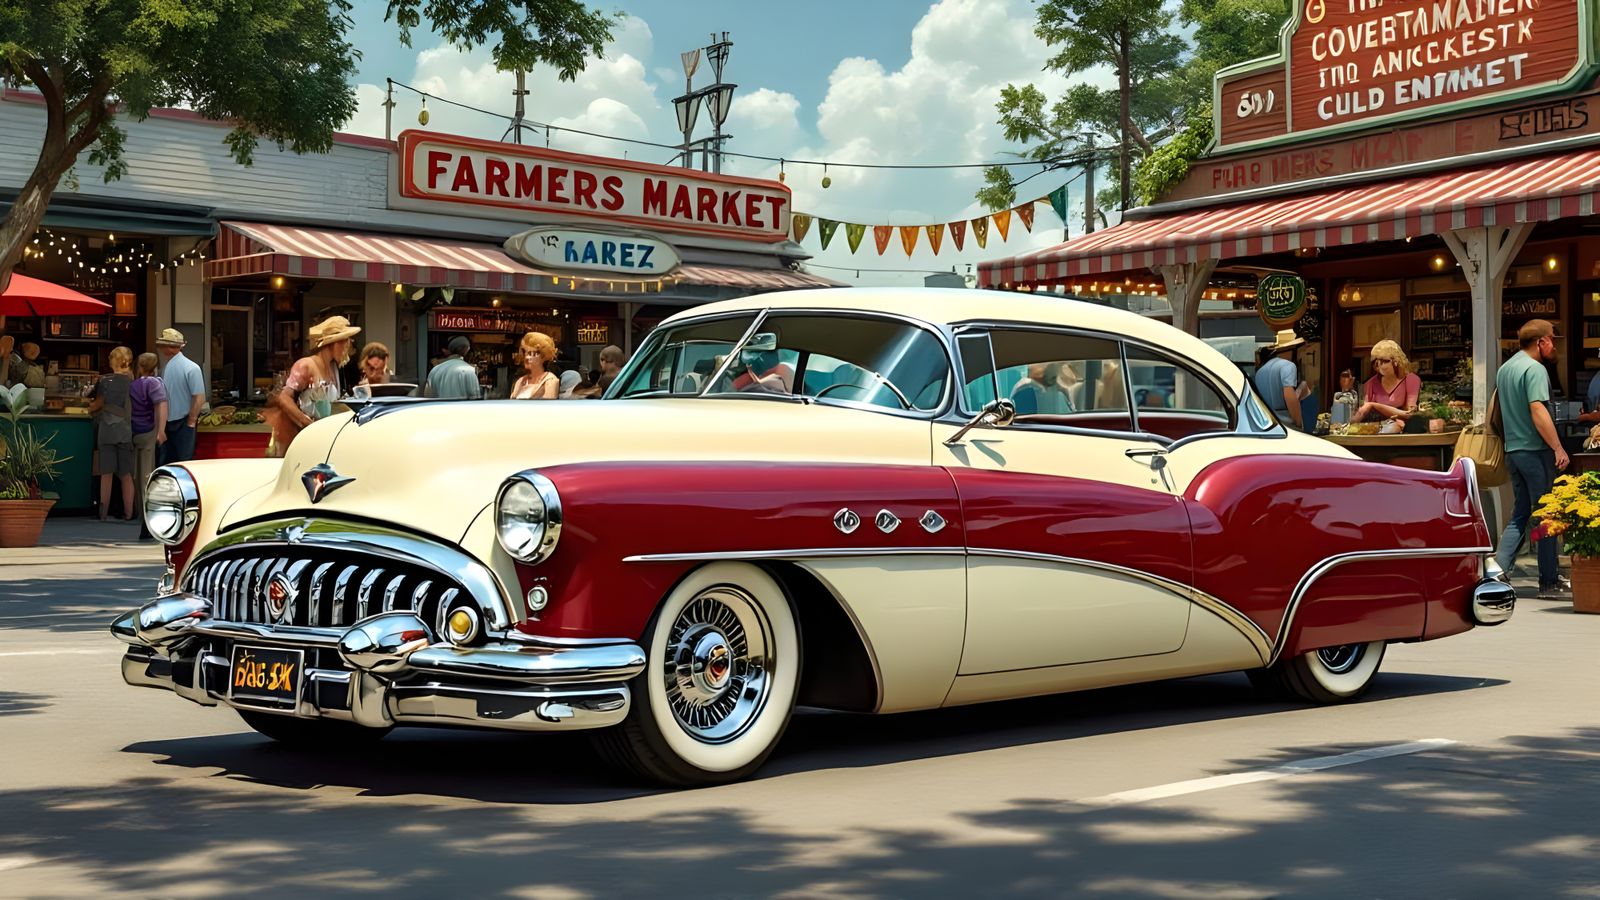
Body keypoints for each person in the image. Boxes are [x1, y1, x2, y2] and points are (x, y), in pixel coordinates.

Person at [1496, 319, 1570, 598]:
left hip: (1513, 451)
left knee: (1521, 513)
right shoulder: (1535, 368)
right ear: (1540, 342)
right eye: (1552, 338)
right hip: (1535, 451)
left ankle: (1499, 569)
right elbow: (1537, 410)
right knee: (1547, 517)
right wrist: (1558, 448)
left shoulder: (1505, 368)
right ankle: (1549, 581)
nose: (1553, 344)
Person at [269, 316, 360, 456]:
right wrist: (306, 422)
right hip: (303, 440)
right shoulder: (305, 365)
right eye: (345, 341)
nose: (347, 346)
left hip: (322, 440)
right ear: (333, 343)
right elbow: (284, 398)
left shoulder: (334, 369)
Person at [87, 347, 136, 521]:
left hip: (107, 429)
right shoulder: (134, 382)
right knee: (126, 474)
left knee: (106, 473)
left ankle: (103, 513)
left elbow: (97, 404)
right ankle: (129, 513)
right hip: (126, 430)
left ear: (112, 361)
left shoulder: (105, 381)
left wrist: (88, 407)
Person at [129, 352, 168, 540]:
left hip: (134, 432)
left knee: (137, 477)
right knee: (147, 478)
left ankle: (142, 517)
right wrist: (161, 430)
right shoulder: (154, 383)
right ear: (155, 367)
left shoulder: (134, 384)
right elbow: (160, 405)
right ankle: (148, 523)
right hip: (148, 432)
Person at [155, 328, 207, 465]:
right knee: (183, 462)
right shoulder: (191, 368)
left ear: (168, 348)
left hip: (177, 421)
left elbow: (199, 398)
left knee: (169, 462)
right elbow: (199, 397)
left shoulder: (168, 368)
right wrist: (192, 420)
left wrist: (191, 420)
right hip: (182, 422)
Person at [1356, 340, 1421, 423]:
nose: (1379, 365)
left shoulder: (1411, 379)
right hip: (1376, 428)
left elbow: (1409, 413)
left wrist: (1374, 405)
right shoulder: (1371, 383)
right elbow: (1363, 411)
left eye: (1384, 361)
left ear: (1396, 361)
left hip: (1403, 428)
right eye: (1375, 362)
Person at [1255, 329, 1305, 430]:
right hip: (1287, 426)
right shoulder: (1288, 366)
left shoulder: (1260, 372)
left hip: (1267, 424)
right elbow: (1288, 394)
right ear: (1291, 349)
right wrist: (1299, 422)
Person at [426, 335, 481, 399]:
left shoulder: (435, 370)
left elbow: (428, 396)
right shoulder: (469, 370)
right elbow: (475, 397)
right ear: (467, 349)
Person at [510, 332, 559, 400]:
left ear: (543, 356)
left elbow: (548, 408)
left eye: (533, 353)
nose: (527, 357)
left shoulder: (550, 381)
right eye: (525, 352)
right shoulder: (520, 381)